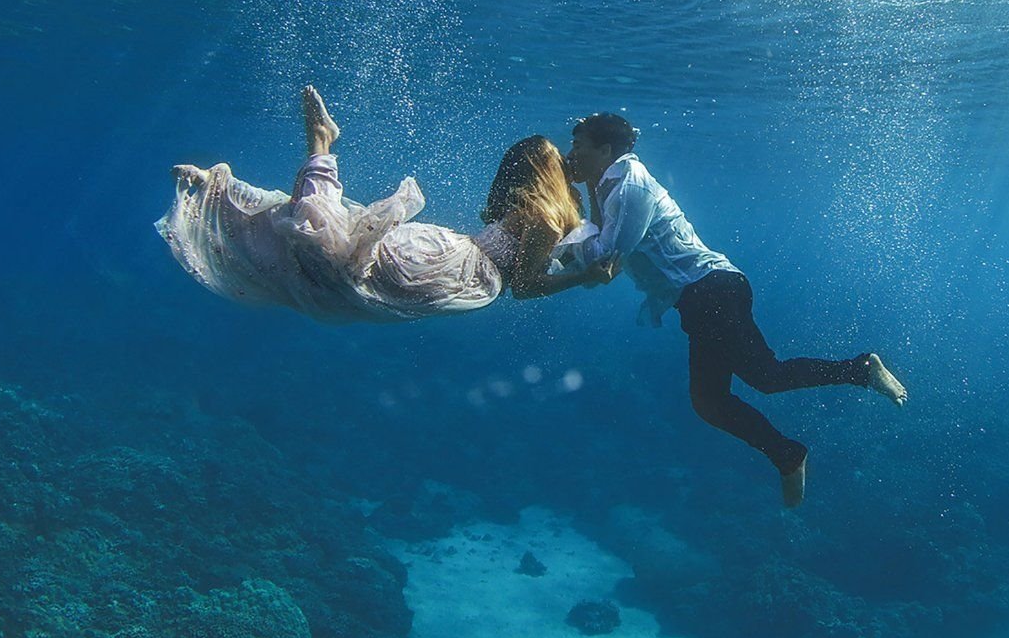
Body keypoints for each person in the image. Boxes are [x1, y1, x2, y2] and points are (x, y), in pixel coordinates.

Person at [561, 112, 907, 508]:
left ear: (604, 150)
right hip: (702, 296)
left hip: (712, 292)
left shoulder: (629, 188)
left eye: (578, 145)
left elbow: (607, 254)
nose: (570, 153)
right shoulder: (612, 182)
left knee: (765, 376)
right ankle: (789, 453)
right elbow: (605, 235)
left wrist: (555, 238)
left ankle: (859, 372)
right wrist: (585, 188)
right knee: (710, 401)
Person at [157, 86, 609, 323]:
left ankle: (227, 190)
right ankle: (311, 149)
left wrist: (586, 270)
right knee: (329, 254)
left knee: (321, 258)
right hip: (452, 264)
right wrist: (584, 275)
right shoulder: (548, 218)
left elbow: (536, 276)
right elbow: (527, 287)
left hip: (452, 258)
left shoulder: (545, 217)